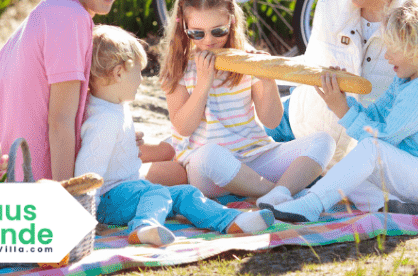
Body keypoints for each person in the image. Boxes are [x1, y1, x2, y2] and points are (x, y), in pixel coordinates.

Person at [0, 0, 180, 183]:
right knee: (179, 171)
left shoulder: (53, 9)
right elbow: (60, 120)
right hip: (43, 172)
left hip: (19, 159)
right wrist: (67, 193)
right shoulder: (70, 20)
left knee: (162, 154)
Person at [267, 0, 418, 222]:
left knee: (370, 150)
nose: (387, 56)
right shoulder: (407, 79)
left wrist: (342, 110)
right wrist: (342, 99)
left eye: (393, 49)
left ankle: (312, 204)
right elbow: (375, 115)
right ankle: (386, 204)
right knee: (348, 170)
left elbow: (383, 139)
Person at [75, 25, 275, 246]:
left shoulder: (112, 107)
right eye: (138, 72)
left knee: (185, 193)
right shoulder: (104, 119)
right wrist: (88, 217)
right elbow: (88, 170)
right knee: (157, 194)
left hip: (128, 191)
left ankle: (232, 220)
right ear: (119, 73)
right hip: (110, 201)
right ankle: (143, 227)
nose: (141, 80)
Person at [159, 0, 333, 208]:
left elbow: (271, 121)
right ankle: (277, 193)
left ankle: (274, 194)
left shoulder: (246, 58)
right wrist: (203, 85)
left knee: (324, 141)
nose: (208, 41)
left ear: (231, 21)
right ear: (184, 26)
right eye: (197, 33)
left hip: (256, 157)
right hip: (209, 171)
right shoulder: (178, 65)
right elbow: (183, 127)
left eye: (218, 31)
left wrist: (267, 80)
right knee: (209, 155)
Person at [267, 0, 418, 167]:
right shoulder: (331, 0)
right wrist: (265, 66)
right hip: (300, 126)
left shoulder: (415, 20)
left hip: (361, 151)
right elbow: (312, 63)